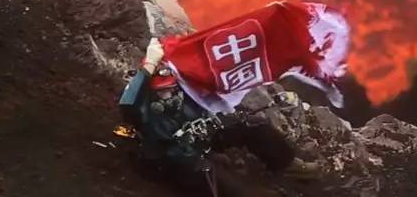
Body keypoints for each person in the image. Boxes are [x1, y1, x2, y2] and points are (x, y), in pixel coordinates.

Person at [119, 37, 300, 196]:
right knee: (223, 184)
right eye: (163, 92)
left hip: (202, 137)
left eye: (172, 89)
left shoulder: (186, 90)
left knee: (253, 125)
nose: (171, 95)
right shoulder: (141, 107)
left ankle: (288, 164)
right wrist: (149, 65)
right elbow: (127, 104)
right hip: (173, 160)